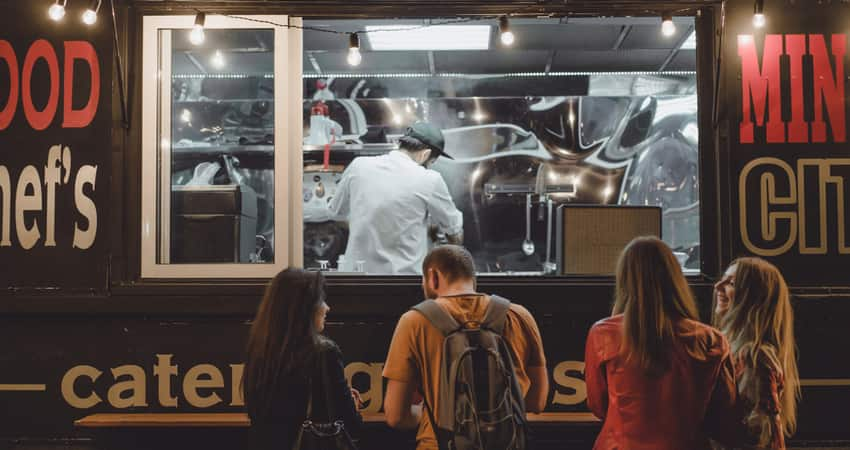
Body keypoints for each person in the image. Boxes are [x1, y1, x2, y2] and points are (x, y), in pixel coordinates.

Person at [382, 245, 548, 450]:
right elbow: (537, 402)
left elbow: (396, 416)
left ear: (433, 277)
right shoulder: (519, 315)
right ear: (472, 277)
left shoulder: (414, 321)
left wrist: (425, 412)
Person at [584, 237, 738, 450]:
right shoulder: (711, 339)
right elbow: (724, 412)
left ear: (625, 280)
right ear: (675, 278)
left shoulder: (603, 334)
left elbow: (598, 406)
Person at [243, 269, 362, 450]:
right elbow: (350, 423)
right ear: (305, 307)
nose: (327, 307)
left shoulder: (260, 349)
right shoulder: (324, 353)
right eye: (321, 300)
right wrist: (351, 403)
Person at [329, 122, 463, 274]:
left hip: (357, 276)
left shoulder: (358, 166)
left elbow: (336, 213)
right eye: (431, 162)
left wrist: (369, 219)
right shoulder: (430, 179)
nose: (429, 166)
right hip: (404, 281)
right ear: (425, 154)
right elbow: (454, 230)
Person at [713, 257, 800, 449]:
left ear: (754, 299)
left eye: (732, 283)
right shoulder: (740, 350)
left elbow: (762, 437)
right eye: (723, 279)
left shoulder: (755, 358)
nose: (718, 285)